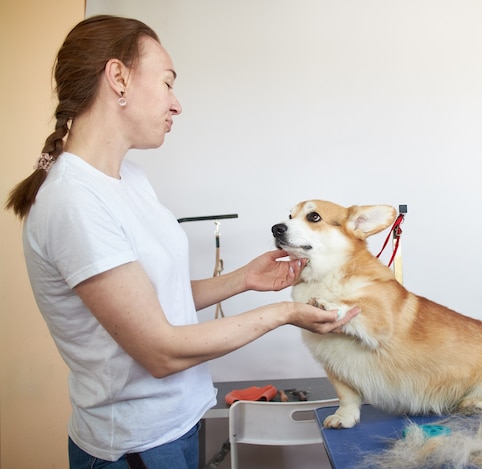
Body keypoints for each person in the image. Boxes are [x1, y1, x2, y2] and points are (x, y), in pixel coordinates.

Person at [5, 15, 358, 469]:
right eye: (168, 83)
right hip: (136, 447)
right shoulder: (74, 201)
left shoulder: (128, 178)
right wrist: (286, 313)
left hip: (178, 425)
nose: (177, 105)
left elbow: (153, 301)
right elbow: (160, 350)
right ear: (118, 78)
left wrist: (242, 280)